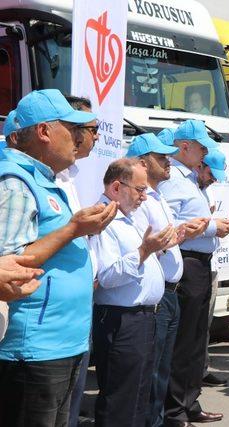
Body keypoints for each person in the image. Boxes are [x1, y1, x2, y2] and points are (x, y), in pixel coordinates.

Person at [0, 89, 117, 426]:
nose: (79, 138)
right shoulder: (15, 181)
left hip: (59, 343)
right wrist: (73, 230)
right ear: (44, 132)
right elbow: (10, 266)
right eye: (72, 127)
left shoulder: (41, 179)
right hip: (34, 348)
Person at [126, 133, 208, 426]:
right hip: (155, 297)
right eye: (161, 158)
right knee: (151, 372)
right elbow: (143, 244)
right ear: (142, 163)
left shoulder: (156, 195)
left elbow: (166, 238)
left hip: (169, 291)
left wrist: (184, 232)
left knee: (161, 368)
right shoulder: (139, 201)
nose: (167, 161)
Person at [91, 158, 176, 426]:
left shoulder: (127, 218)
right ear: (117, 187)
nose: (144, 196)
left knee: (139, 396)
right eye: (140, 190)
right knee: (121, 400)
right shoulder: (102, 219)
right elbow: (107, 276)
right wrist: (143, 252)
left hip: (143, 318)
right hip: (122, 320)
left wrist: (156, 248)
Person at [158, 120, 229, 424]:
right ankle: (175, 410)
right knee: (184, 343)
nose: (204, 154)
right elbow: (170, 227)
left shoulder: (187, 178)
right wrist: (213, 227)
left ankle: (189, 402)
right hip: (187, 262)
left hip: (199, 264)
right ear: (184, 146)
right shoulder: (173, 179)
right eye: (201, 147)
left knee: (195, 342)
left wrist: (211, 227)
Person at [57, 96, 101, 427]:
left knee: (70, 400)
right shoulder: (23, 179)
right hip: (49, 320)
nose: (92, 136)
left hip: (78, 307)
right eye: (87, 129)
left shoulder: (72, 176)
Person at [199, 149, 229, 388]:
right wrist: (212, 226)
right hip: (189, 267)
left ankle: (201, 370)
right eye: (212, 173)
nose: (214, 179)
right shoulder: (180, 186)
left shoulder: (202, 190)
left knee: (203, 326)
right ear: (200, 166)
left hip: (208, 262)